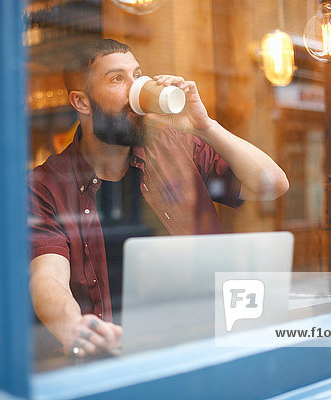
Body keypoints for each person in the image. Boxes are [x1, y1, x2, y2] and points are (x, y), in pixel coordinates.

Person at [29, 39, 289, 357]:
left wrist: (204, 127)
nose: (136, 86)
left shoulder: (177, 146)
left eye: (137, 74)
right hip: (119, 355)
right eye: (117, 79)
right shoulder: (46, 184)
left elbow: (273, 185)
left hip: (207, 342)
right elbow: (48, 277)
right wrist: (76, 330)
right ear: (82, 102)